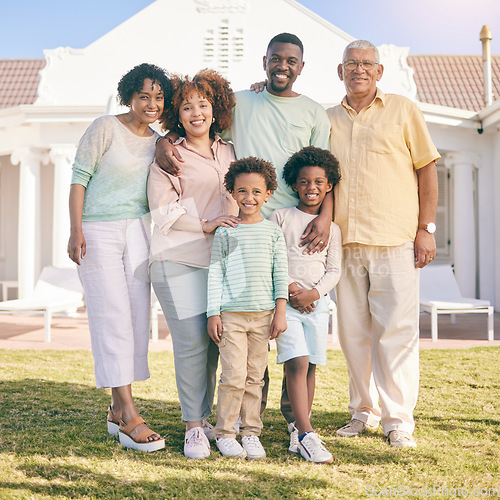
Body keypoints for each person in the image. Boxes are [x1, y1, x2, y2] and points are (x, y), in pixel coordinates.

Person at [156, 32, 333, 430]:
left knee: (290, 330)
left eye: (291, 60)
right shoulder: (243, 102)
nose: (282, 66)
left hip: (295, 231)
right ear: (264, 61)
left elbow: (326, 169)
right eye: (275, 58)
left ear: (301, 66)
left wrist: (323, 216)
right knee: (251, 325)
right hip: (246, 231)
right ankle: (246, 419)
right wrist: (164, 141)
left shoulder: (314, 112)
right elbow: (197, 118)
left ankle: (294, 420)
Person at [329, 40, 440, 448]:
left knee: (396, 331)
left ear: (379, 72)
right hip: (343, 242)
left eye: (367, 64)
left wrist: (425, 228)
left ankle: (398, 420)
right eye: (351, 64)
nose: (358, 69)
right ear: (339, 72)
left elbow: (427, 170)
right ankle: (363, 410)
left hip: (394, 239)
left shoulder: (403, 109)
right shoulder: (325, 119)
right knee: (352, 332)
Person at [68, 63, 172, 452]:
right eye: (144, 95)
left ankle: (116, 407)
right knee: (110, 314)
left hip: (139, 231)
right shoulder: (104, 128)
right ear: (128, 95)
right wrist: (75, 229)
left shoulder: (160, 140)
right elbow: (80, 179)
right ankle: (129, 414)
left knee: (134, 317)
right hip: (98, 229)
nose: (151, 103)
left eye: (159, 97)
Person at [147, 69, 240, 459]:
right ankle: (193, 427)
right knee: (190, 344)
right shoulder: (170, 154)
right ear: (177, 114)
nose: (196, 112)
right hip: (179, 259)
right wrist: (205, 225)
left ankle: (214, 422)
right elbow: (161, 211)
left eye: (203, 104)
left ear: (215, 109)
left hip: (222, 262)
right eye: (187, 106)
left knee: (217, 344)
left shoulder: (231, 150)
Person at [207, 157, 288, 459]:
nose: (249, 197)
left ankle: (250, 432)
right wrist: (213, 312)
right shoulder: (226, 231)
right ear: (232, 192)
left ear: (268, 194)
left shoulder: (273, 233)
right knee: (232, 376)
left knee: (256, 377)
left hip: (264, 316)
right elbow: (216, 273)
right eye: (242, 191)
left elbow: (280, 274)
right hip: (232, 316)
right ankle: (225, 433)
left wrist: (280, 311)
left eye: (256, 192)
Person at [269, 146, 342, 463]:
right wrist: (294, 289)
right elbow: (273, 259)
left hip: (317, 306)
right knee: (296, 362)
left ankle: (299, 431)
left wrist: (314, 294)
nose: (311, 188)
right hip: (287, 305)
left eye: (318, 182)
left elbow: (334, 270)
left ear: (328, 186)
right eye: (304, 181)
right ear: (294, 184)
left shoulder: (333, 229)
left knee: (310, 365)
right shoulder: (281, 217)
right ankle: (306, 433)